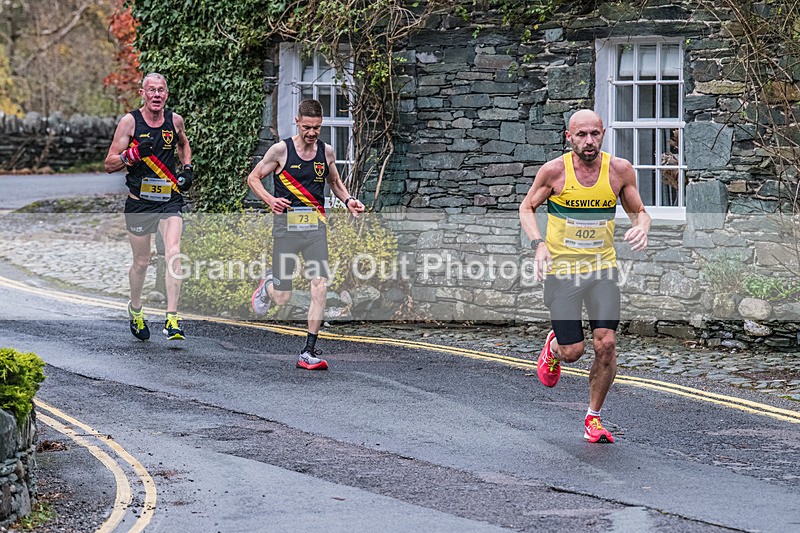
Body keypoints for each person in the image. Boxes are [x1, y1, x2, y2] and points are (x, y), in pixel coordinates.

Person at [518, 109, 651, 443]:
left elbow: (639, 212)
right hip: (562, 272)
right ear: (569, 137)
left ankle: (593, 417)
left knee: (606, 344)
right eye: (581, 135)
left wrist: (643, 227)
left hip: (602, 270)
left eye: (595, 134)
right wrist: (538, 245)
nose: (589, 141)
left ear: (603, 133)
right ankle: (554, 348)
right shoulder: (554, 172)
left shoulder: (619, 170)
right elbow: (527, 207)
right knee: (574, 351)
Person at [247, 99, 365, 370]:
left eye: (317, 128)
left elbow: (334, 182)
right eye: (307, 127)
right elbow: (254, 178)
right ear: (297, 122)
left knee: (319, 284)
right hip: (286, 232)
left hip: (315, 230)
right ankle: (267, 286)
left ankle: (308, 351)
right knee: (282, 297)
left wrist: (349, 201)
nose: (312, 133)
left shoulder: (326, 152)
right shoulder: (280, 151)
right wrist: (270, 200)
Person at [104, 72, 194, 341]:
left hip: (169, 199)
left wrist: (187, 169)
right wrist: (130, 155)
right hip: (140, 203)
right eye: (151, 90)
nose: (156, 95)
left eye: (161, 90)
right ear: (142, 93)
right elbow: (109, 164)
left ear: (166, 94)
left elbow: (184, 144)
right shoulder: (130, 122)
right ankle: (135, 308)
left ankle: (172, 318)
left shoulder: (174, 120)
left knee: (173, 252)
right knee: (142, 262)